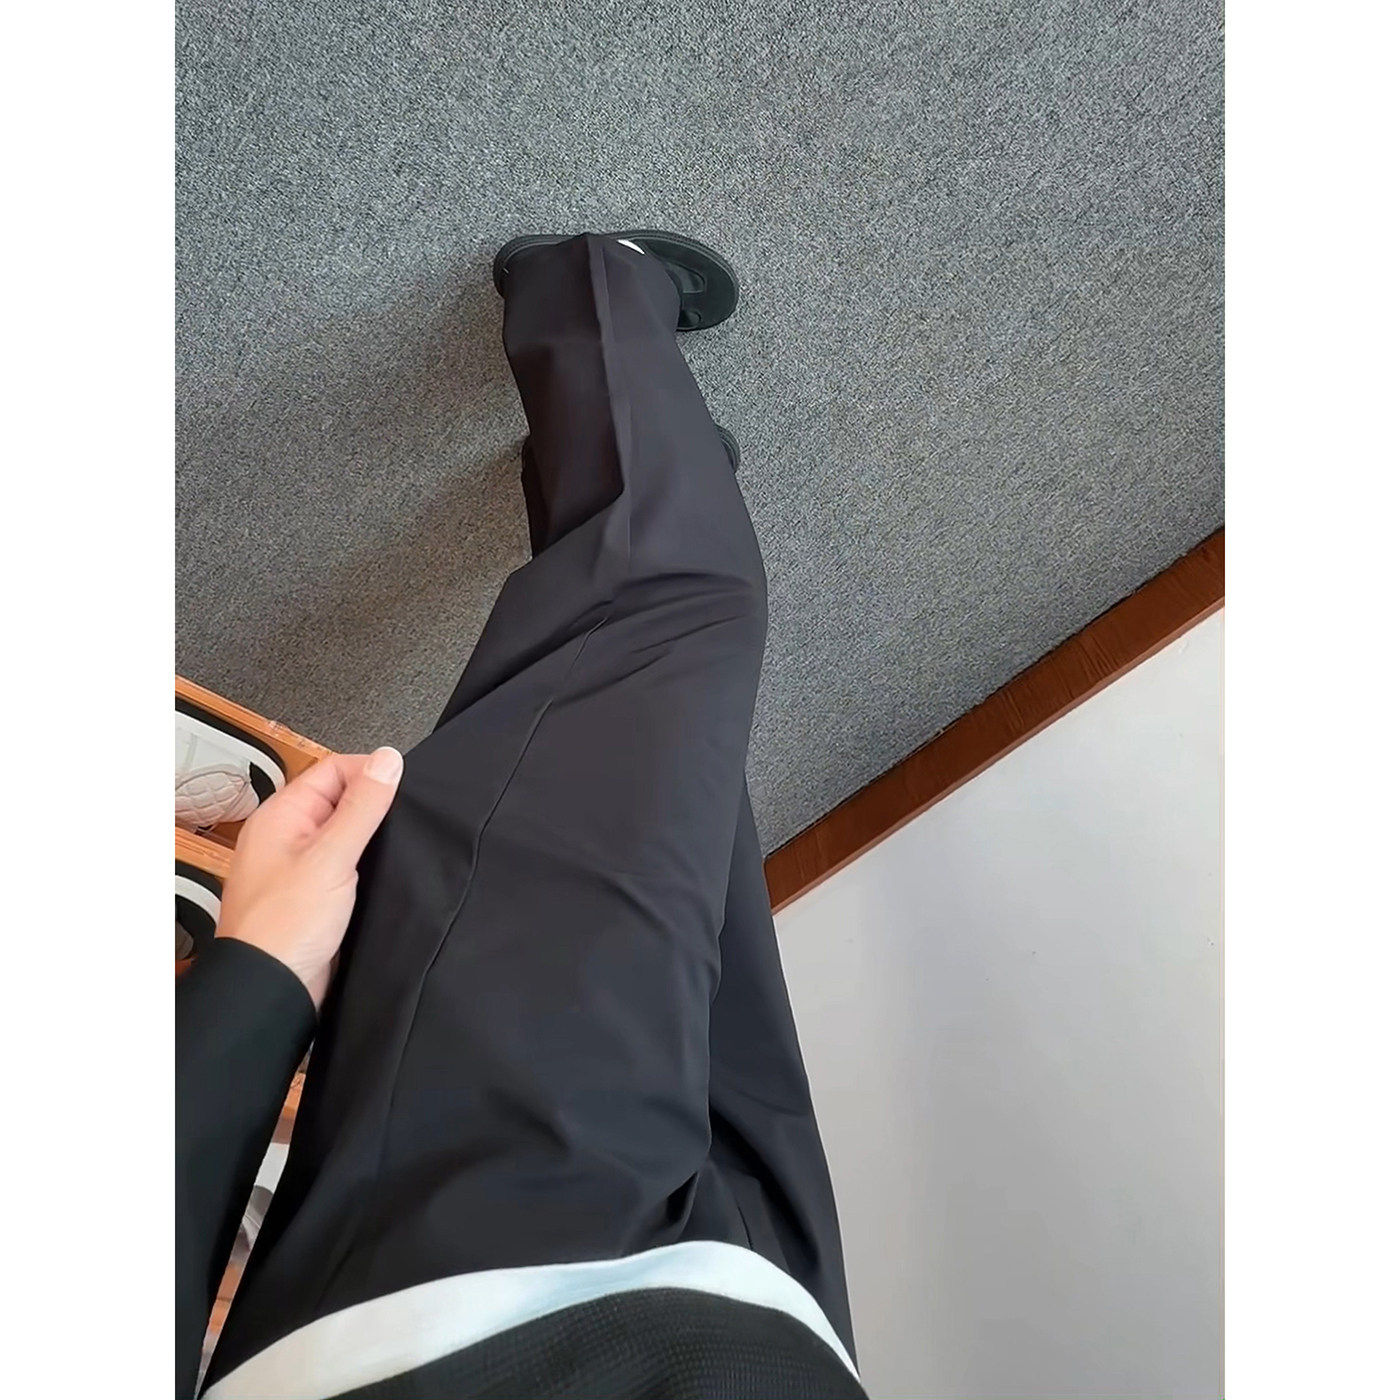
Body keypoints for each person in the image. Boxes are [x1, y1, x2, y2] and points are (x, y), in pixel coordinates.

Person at [177, 231, 864, 1399]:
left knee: (678, 609)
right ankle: (630, 483)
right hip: (784, 1338)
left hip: (502, 1299)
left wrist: (260, 973)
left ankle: (590, 292)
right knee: (681, 807)